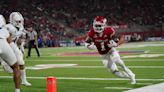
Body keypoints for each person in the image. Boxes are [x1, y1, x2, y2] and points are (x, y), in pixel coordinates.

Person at [85, 16, 136, 84]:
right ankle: (127, 76)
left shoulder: (109, 31)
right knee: (113, 71)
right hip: (103, 55)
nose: (97, 27)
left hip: (111, 50)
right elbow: (87, 42)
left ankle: (132, 76)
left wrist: (117, 44)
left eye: (99, 25)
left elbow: (122, 37)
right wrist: (88, 46)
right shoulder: (91, 33)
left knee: (118, 61)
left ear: (104, 25)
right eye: (96, 25)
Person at [4, 12, 31, 86]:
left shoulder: (21, 27)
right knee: (9, 70)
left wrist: (21, 46)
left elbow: (22, 38)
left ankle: (24, 80)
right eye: (18, 21)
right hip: (5, 47)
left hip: (14, 46)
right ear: (12, 20)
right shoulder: (7, 27)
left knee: (21, 62)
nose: (19, 23)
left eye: (20, 21)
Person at [0, 14, 21, 92]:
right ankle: (17, 90)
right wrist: (16, 51)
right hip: (3, 42)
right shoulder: (4, 28)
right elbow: (9, 41)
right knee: (16, 67)